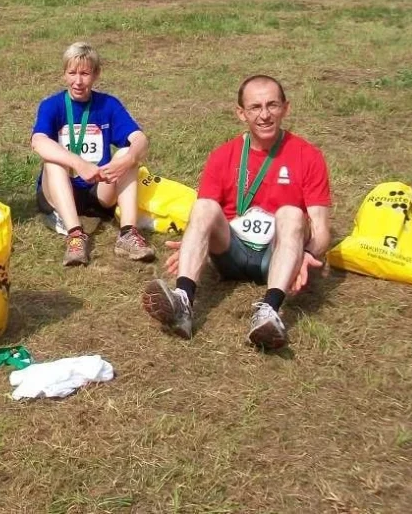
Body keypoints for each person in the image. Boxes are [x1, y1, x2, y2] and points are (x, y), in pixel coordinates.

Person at [140, 76, 331, 350]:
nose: (264, 115)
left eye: (272, 105)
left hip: (277, 255)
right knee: (203, 206)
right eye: (255, 107)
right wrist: (194, 242)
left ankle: (269, 311)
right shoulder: (223, 156)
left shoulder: (308, 156)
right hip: (232, 252)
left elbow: (322, 230)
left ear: (285, 108)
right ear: (241, 113)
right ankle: (182, 301)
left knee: (291, 213)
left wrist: (308, 254)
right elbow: (204, 218)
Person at [30, 42, 156, 267]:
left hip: (98, 191)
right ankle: (75, 236)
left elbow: (140, 140)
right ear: (64, 74)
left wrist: (128, 159)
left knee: (127, 153)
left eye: (85, 74)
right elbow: (38, 142)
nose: (78, 81)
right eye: (72, 73)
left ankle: (128, 234)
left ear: (96, 74)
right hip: (58, 191)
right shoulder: (52, 105)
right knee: (53, 160)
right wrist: (78, 163)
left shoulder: (108, 104)